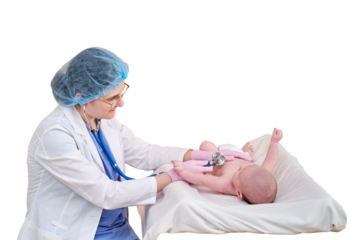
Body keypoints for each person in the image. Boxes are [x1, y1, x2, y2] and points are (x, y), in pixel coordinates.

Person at [19, 45, 252, 240]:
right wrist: (173, 176)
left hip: (117, 227)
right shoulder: (55, 133)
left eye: (123, 93)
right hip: (74, 232)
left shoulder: (101, 118)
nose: (121, 105)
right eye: (112, 99)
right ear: (81, 96)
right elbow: (107, 194)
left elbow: (144, 153)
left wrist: (194, 155)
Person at [172, 126, 284, 204]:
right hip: (239, 154)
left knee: (206, 145)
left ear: (239, 193)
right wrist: (274, 141)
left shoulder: (226, 184)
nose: (241, 167)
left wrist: (183, 171)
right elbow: (270, 160)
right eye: (248, 166)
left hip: (215, 160)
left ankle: (242, 152)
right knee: (245, 155)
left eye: (239, 173)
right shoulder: (261, 173)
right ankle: (244, 151)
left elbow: (202, 180)